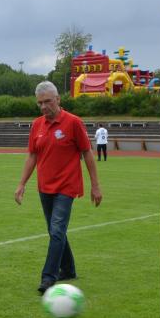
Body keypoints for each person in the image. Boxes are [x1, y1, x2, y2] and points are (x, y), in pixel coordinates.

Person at [14, 81, 102, 295]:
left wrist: (95, 186)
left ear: (58, 100)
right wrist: (22, 184)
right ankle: (69, 269)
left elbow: (87, 153)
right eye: (40, 103)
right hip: (45, 187)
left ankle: (48, 277)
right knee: (55, 231)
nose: (44, 107)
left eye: (48, 102)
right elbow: (32, 155)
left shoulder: (73, 123)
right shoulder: (37, 125)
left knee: (56, 230)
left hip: (67, 186)